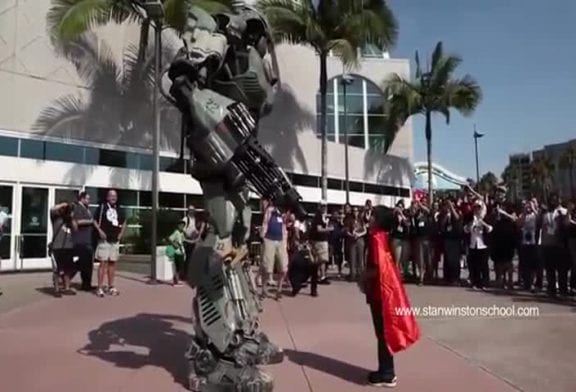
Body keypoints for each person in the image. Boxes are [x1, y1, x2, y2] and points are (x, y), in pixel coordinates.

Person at [361, 206, 420, 388]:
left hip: (380, 292)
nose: (369, 218)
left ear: (378, 220)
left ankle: (387, 373)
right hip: (382, 290)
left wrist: (362, 278)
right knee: (383, 332)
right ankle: (385, 370)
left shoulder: (376, 237)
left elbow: (377, 266)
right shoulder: (382, 236)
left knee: (383, 332)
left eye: (373, 216)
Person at [94, 189, 126, 298]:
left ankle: (111, 286)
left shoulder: (119, 209)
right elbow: (94, 221)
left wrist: (121, 234)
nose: (113, 198)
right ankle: (99, 287)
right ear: (107, 197)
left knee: (112, 263)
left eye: (115, 196)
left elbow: (124, 221)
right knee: (103, 263)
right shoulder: (102, 207)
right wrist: (100, 231)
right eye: (111, 196)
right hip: (104, 240)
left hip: (114, 240)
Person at [539, 194, 569, 297]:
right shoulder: (545, 213)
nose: (554, 201)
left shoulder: (564, 211)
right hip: (547, 244)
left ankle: (563, 290)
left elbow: (566, 225)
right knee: (549, 269)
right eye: (552, 199)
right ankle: (551, 289)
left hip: (560, 245)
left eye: (556, 199)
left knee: (562, 270)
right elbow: (541, 228)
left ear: (560, 200)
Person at [260, 198, 289, 300]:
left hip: (281, 241)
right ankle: (264, 290)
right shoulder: (270, 210)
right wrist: (263, 237)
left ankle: (279, 290)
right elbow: (265, 222)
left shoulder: (285, 213)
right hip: (269, 239)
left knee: (283, 267)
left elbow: (288, 223)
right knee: (267, 267)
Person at [464, 200, 493, 290]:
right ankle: (475, 282)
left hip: (483, 245)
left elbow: (490, 229)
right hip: (473, 244)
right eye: (475, 207)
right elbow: (466, 230)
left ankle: (485, 283)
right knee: (474, 265)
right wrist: (472, 222)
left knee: (483, 265)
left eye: (479, 208)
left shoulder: (486, 218)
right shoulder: (470, 218)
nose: (477, 209)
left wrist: (482, 222)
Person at [49, 202, 76, 296]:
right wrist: (64, 204)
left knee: (68, 269)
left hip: (68, 247)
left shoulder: (69, 220)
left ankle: (67, 287)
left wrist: (71, 217)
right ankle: (56, 289)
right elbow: (52, 209)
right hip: (57, 247)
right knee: (57, 269)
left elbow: (76, 229)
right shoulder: (55, 218)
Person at [71, 191, 95, 291]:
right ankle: (84, 284)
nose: (89, 201)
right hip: (81, 240)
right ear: (82, 199)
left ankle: (87, 283)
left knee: (88, 264)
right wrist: (90, 221)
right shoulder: (78, 208)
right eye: (88, 199)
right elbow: (77, 221)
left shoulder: (86, 209)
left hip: (87, 239)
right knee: (83, 263)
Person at [308, 201, 332, 297]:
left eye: (325, 206)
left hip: (321, 241)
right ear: (319, 207)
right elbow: (319, 229)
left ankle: (322, 276)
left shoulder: (323, 216)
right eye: (322, 206)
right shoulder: (318, 216)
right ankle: (320, 276)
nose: (324, 208)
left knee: (322, 260)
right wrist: (329, 229)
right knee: (319, 260)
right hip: (318, 241)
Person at [344, 206, 367, 281]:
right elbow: (347, 231)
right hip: (352, 240)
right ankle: (352, 275)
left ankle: (360, 275)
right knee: (352, 257)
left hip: (360, 239)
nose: (355, 212)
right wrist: (352, 235)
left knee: (360, 258)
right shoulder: (349, 220)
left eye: (356, 211)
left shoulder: (361, 220)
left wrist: (359, 235)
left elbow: (365, 230)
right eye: (354, 211)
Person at [183, 205, 205, 280]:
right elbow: (183, 229)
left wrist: (197, 233)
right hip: (187, 240)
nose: (191, 211)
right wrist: (189, 234)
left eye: (193, 210)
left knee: (191, 258)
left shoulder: (196, 220)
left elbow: (198, 229)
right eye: (190, 210)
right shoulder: (186, 219)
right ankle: (184, 274)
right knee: (187, 258)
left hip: (194, 241)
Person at [167, 219, 186, 286]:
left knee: (180, 267)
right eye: (180, 225)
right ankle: (175, 281)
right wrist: (174, 244)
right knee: (178, 267)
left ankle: (177, 280)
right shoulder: (176, 232)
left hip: (181, 252)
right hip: (177, 252)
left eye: (183, 226)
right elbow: (170, 238)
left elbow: (183, 240)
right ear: (178, 226)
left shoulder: (182, 233)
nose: (182, 227)